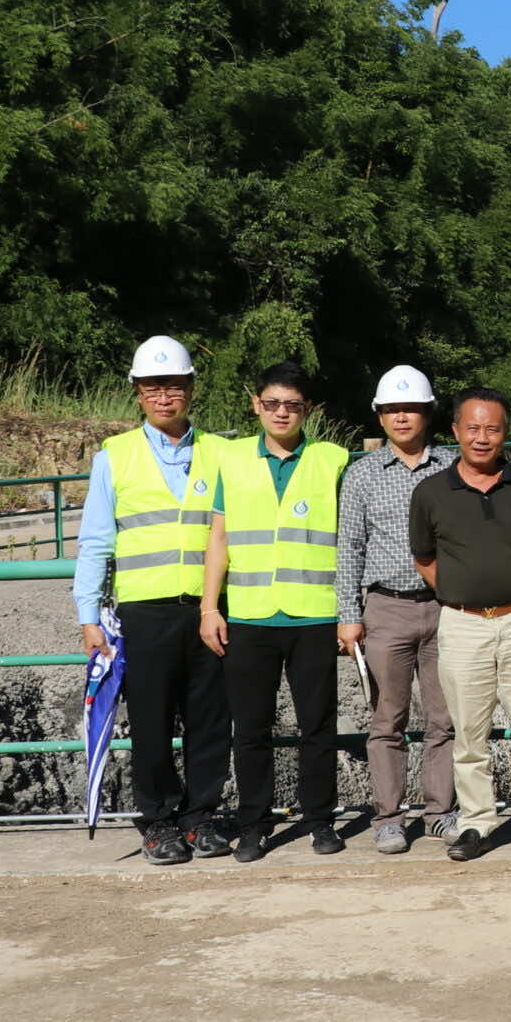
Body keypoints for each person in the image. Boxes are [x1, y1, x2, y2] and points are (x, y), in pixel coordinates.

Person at [73, 336, 231, 866]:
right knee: (151, 723)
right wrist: (88, 613)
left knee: (210, 719)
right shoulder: (113, 456)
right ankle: (158, 822)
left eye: (175, 385)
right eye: (153, 387)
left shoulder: (222, 452)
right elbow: (96, 539)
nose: (165, 396)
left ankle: (202, 816)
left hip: (208, 608)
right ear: (138, 392)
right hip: (144, 611)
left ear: (191, 389)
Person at [199, 361, 351, 861]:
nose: (281, 413)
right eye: (272, 403)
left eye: (292, 405)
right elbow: (218, 539)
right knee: (252, 730)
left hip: (313, 615)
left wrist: (348, 610)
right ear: (256, 404)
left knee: (318, 728)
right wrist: (209, 608)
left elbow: (349, 540)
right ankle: (253, 825)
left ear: (308, 410)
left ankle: (320, 820)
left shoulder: (332, 459)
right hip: (249, 616)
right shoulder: (233, 458)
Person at [409, 388, 511, 860]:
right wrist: (462, 593)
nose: (482, 438)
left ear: (505, 433)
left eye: (492, 428)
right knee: (469, 735)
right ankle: (476, 822)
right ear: (454, 431)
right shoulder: (431, 492)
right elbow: (425, 559)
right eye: (472, 428)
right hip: (463, 624)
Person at [335, 365, 458, 855]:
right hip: (385, 607)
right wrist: (349, 613)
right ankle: (388, 818)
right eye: (391, 409)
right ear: (380, 417)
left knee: (443, 718)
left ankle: (440, 811)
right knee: (387, 718)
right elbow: (350, 547)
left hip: (445, 607)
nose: (401, 417)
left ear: (428, 413)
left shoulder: (451, 468)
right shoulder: (361, 474)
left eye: (410, 408)